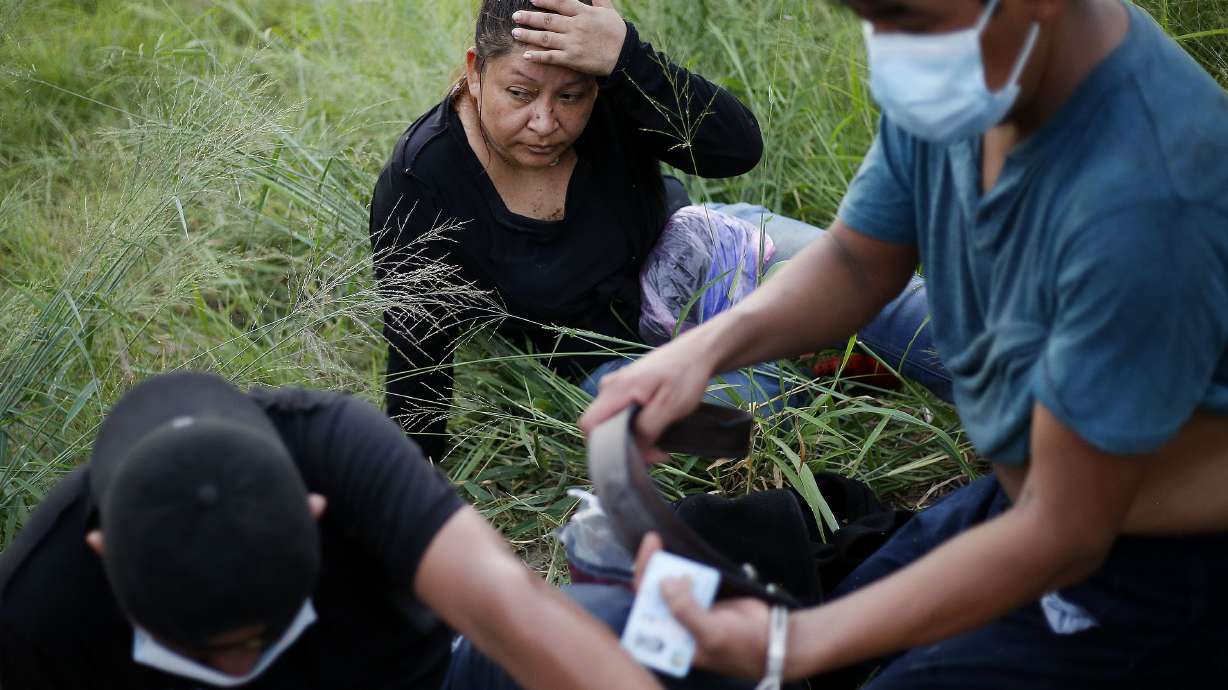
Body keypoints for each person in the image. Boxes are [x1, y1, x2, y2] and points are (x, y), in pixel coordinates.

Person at [567, 0, 1228, 688]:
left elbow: (1063, 533)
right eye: (869, 16)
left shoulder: (1147, 197)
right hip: (1031, 499)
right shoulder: (988, 70)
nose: (889, 54)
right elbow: (858, 261)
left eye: (906, 20)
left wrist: (788, 646)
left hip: (1153, 569)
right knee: (845, 605)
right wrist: (700, 352)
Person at [369, 0, 951, 463]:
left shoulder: (615, 88)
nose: (545, 122)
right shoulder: (424, 182)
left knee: (900, 304)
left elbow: (737, 149)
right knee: (734, 425)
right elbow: (418, 356)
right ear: (475, 72)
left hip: (707, 252)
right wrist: (414, 492)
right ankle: (821, 358)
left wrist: (627, 59)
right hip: (609, 359)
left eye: (570, 96)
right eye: (519, 93)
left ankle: (1030, 407)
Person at [0, 371, 664, 690]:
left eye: (265, 639)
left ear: (314, 513)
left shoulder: (336, 448)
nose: (240, 672)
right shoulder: (35, 607)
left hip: (426, 683)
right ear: (102, 557)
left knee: (643, 635)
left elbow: (509, 608)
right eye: (197, 657)